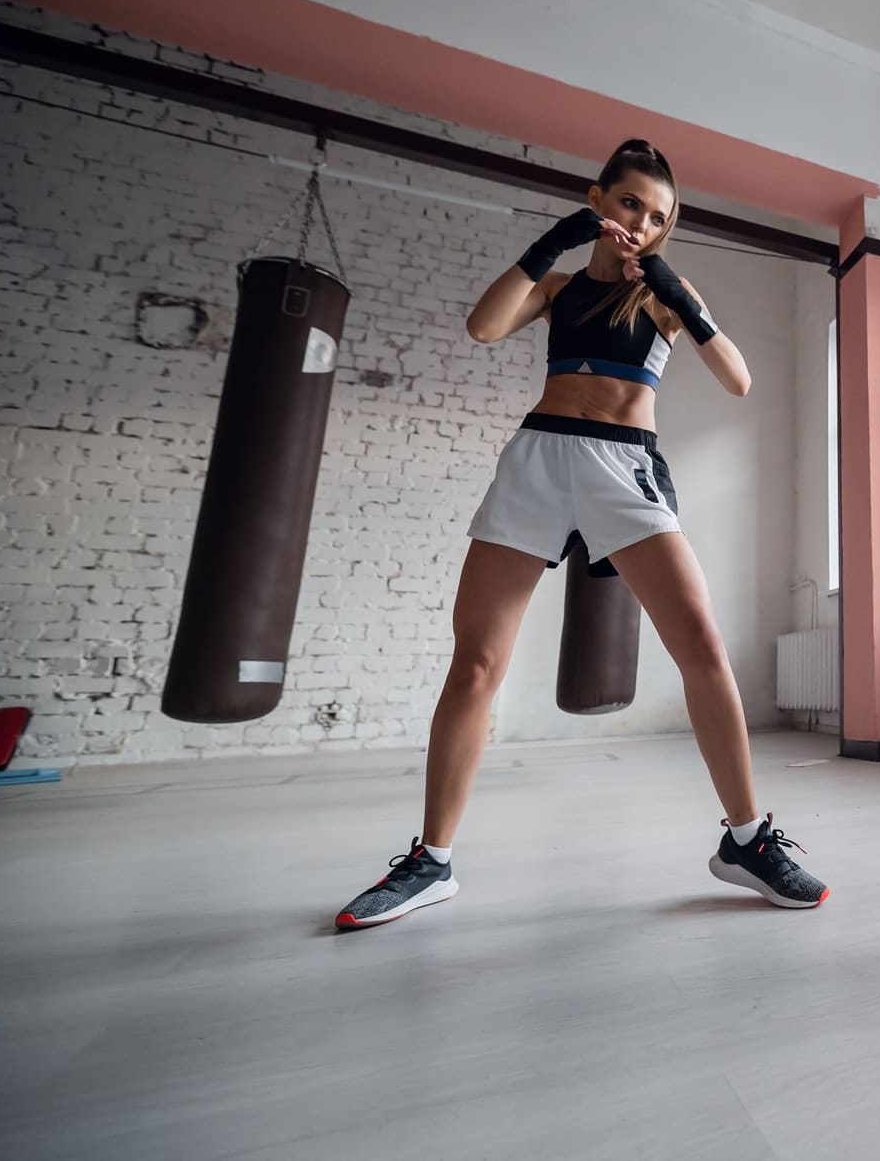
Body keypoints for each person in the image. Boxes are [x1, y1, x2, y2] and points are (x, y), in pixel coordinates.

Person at [333, 139, 828, 928]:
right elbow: (483, 326)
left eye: (659, 216)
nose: (642, 222)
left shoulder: (664, 292)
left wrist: (675, 290)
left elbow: (736, 377)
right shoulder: (558, 286)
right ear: (600, 198)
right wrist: (550, 243)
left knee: (701, 644)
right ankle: (432, 861)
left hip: (622, 466)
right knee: (476, 665)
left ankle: (747, 839)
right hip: (537, 459)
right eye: (630, 202)